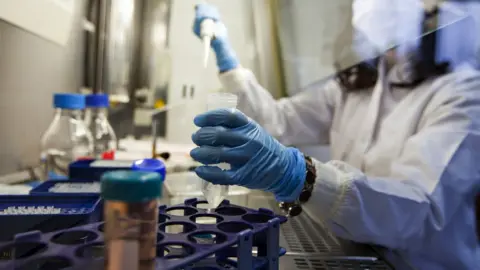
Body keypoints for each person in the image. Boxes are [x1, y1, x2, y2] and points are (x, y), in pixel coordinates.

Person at [191, 0, 480, 269]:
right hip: (352, 247)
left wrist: (299, 175)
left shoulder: (462, 93)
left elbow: (415, 213)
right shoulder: (361, 83)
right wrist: (229, 64)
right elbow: (277, 120)